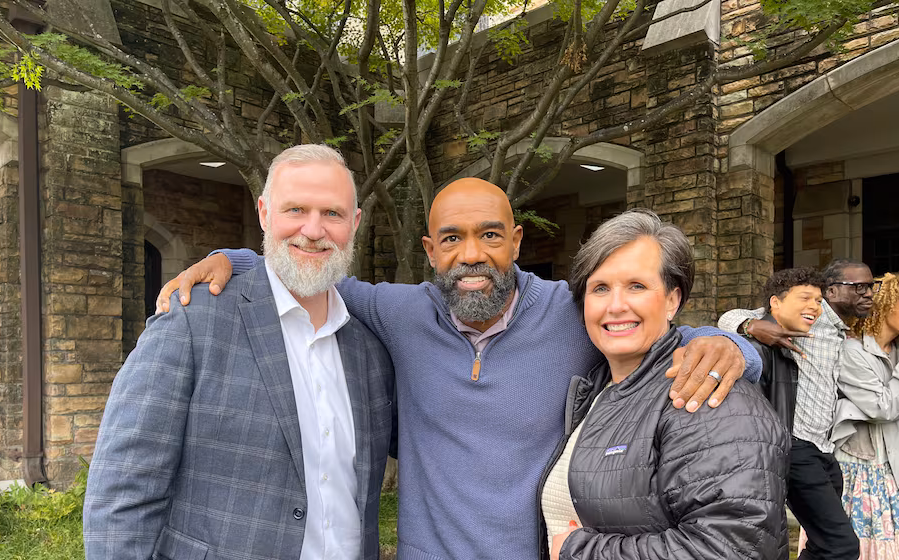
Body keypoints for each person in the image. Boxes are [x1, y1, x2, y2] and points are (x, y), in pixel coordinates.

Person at [159, 177, 764, 560]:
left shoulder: (572, 310)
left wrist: (733, 345)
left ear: (517, 242)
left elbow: (651, 327)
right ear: (430, 250)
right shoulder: (398, 311)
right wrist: (234, 257)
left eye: (490, 235)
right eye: (451, 239)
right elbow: (313, 269)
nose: (471, 254)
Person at [83, 145, 396, 560]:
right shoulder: (194, 320)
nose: (313, 229)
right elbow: (122, 492)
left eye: (332, 213)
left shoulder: (370, 349)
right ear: (264, 213)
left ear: (354, 223)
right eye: (296, 209)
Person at [540, 209, 788, 560]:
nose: (616, 305)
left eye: (637, 286)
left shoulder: (705, 394)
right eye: (600, 288)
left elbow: (734, 549)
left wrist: (579, 552)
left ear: (673, 300)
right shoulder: (594, 390)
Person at [719, 258, 877, 560]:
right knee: (842, 545)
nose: (867, 293)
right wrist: (752, 326)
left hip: (824, 449)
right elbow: (729, 317)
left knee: (822, 543)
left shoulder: (835, 327)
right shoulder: (798, 318)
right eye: (859, 286)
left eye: (871, 286)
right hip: (797, 447)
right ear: (833, 291)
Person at [829, 272, 899, 558]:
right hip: (859, 465)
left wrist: (896, 391)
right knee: (859, 548)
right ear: (885, 305)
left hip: (892, 465)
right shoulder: (852, 350)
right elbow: (883, 409)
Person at [748, 267, 825, 433]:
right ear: (775, 302)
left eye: (819, 301)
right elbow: (752, 423)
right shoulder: (756, 350)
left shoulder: (795, 341)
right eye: (805, 298)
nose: (815, 307)